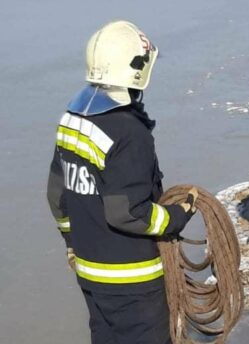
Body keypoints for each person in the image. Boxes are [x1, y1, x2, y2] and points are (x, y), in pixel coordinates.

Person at [46, 21, 197, 343]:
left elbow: (56, 195)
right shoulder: (130, 132)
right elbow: (128, 213)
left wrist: (72, 243)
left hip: (89, 272)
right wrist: (180, 213)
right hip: (133, 279)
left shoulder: (71, 121)